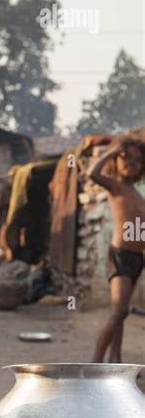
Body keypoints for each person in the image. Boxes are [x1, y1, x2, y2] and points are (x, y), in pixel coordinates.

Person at [89, 137, 145, 363]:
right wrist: (113, 151)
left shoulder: (138, 194)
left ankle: (116, 361)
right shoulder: (115, 186)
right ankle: (95, 363)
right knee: (119, 311)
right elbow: (92, 173)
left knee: (121, 311)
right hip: (120, 254)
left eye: (137, 160)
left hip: (137, 258)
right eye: (126, 158)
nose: (132, 163)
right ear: (116, 161)